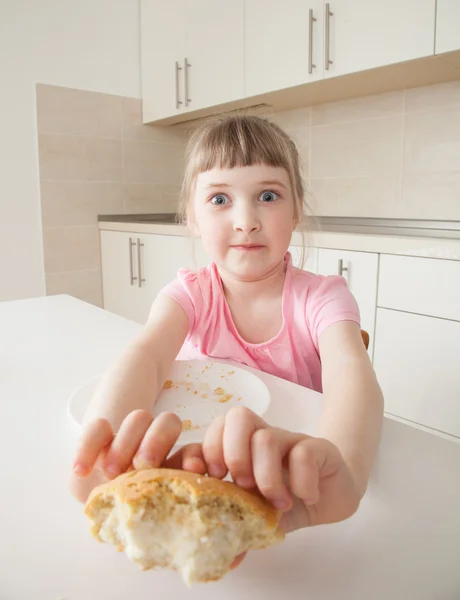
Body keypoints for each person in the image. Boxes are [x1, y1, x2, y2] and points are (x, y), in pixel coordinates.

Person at [70, 115, 383, 537]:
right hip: (196, 467)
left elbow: (352, 377)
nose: (245, 220)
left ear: (296, 212)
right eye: (220, 200)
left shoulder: (323, 298)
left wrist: (346, 469)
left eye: (268, 195)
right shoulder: (191, 294)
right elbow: (145, 357)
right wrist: (104, 452)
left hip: (287, 477)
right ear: (193, 218)